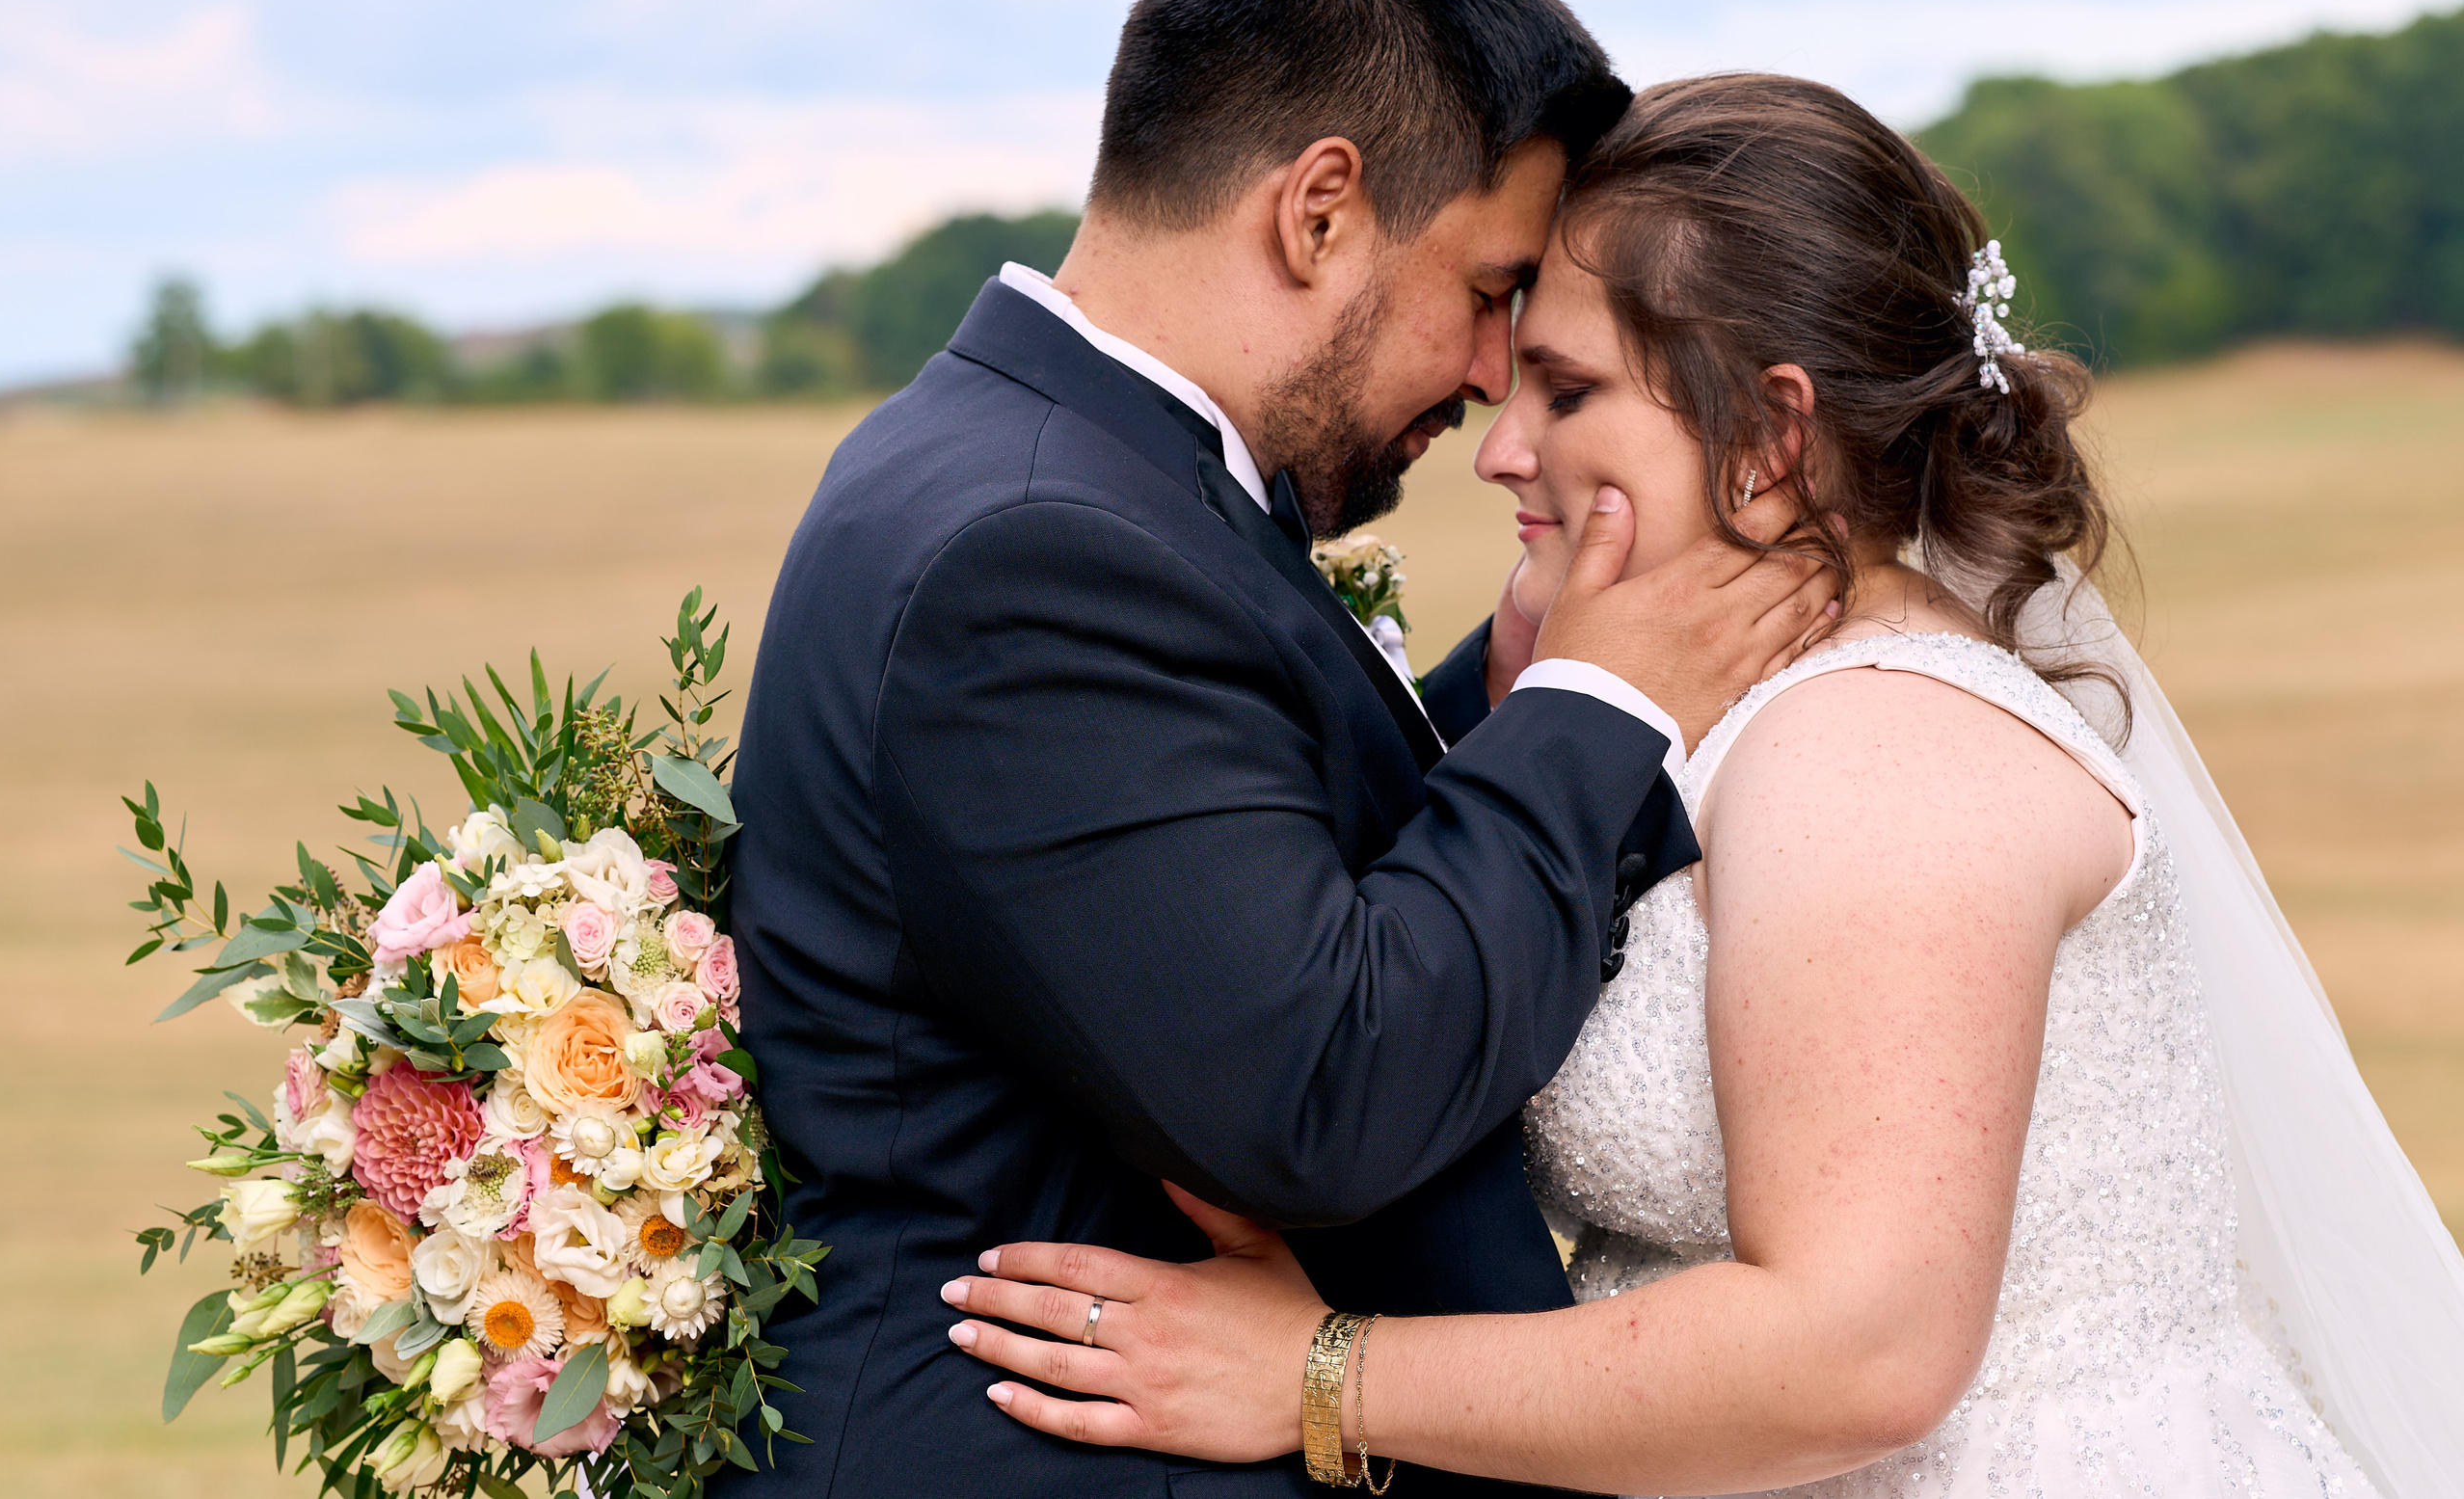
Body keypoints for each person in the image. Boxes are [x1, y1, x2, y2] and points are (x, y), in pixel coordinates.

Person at [936, 74, 2464, 1495]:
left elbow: (1863, 1353)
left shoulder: (1880, 746)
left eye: (1567, 390)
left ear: (1770, 437)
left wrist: (1322, 1377)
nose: (1501, 449)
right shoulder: (1735, 711)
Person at [725, 0, 1837, 1496]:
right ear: (1319, 211)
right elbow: (1320, 1088)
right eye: (1486, 292)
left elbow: (1215, 856)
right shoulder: (1032, 551)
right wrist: (1596, 714)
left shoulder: (1051, 470)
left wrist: (1500, 698)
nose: (1491, 376)